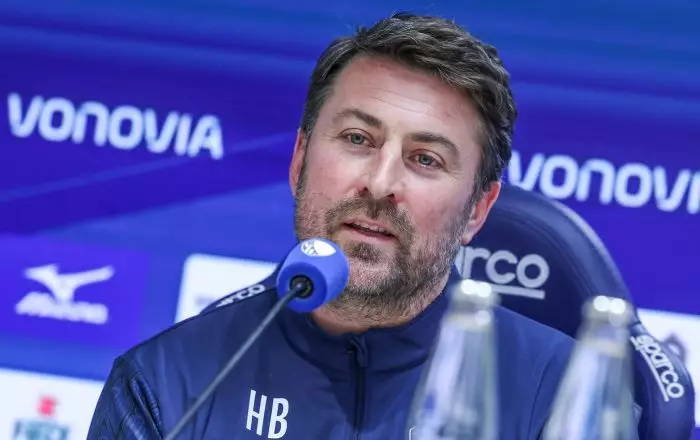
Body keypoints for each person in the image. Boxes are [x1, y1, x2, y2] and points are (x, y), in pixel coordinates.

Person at [88, 12, 582, 439]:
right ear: (299, 159)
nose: (380, 183)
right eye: (357, 139)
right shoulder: (166, 386)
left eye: (425, 159)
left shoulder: (564, 397)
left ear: (477, 208)